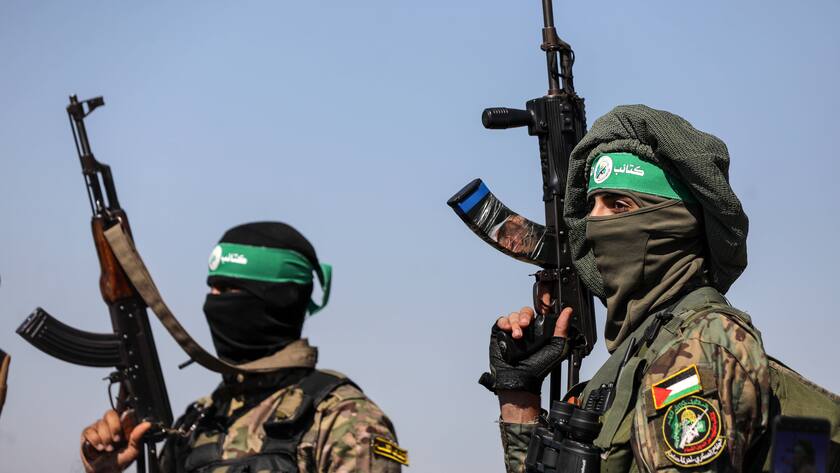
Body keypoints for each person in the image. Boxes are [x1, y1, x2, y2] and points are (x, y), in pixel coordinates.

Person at [480, 105, 840, 472]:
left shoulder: (703, 346)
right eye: (591, 206)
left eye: (618, 205)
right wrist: (519, 395)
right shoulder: (639, 354)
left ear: (674, 222)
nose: (594, 224)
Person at [80, 222, 407, 473]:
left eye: (228, 289)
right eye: (213, 289)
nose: (214, 302)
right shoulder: (199, 421)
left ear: (278, 299)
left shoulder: (344, 419)